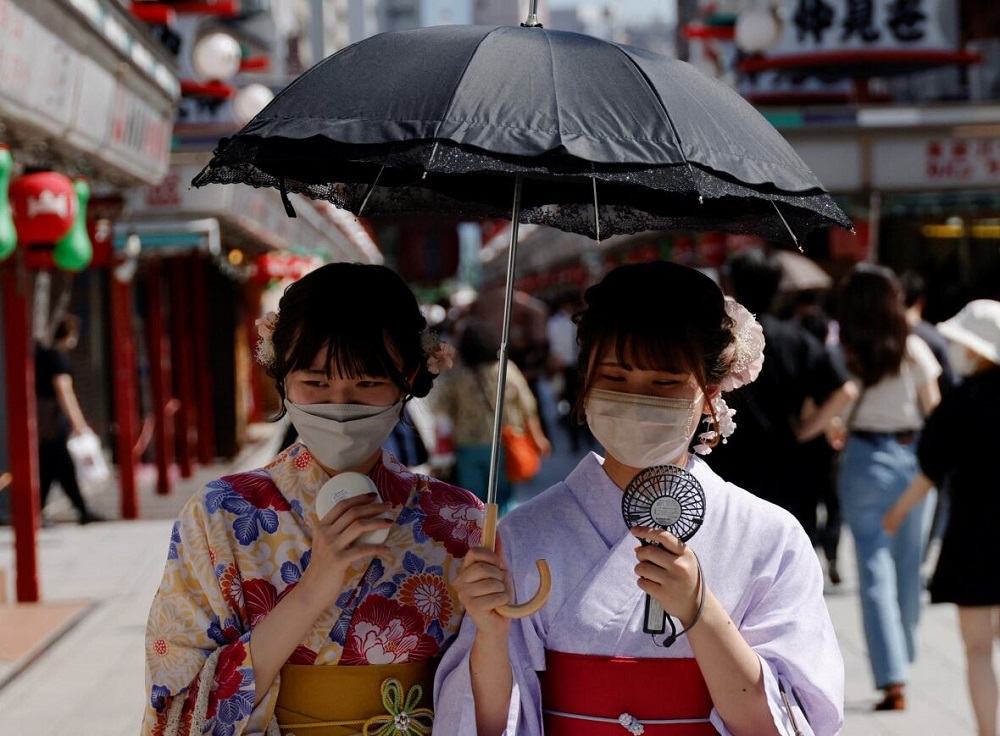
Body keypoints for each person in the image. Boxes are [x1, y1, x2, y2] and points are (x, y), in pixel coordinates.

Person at [434, 261, 844, 736]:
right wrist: (490, 634)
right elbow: (486, 724)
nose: (637, 398)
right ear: (585, 384)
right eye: (616, 379)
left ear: (709, 393)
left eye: (665, 383)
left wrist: (700, 613)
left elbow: (790, 725)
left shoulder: (769, 537)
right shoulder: (522, 535)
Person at [142, 263, 485, 735]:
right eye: (316, 383)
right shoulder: (220, 514)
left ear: (408, 378)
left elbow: (483, 697)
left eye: (367, 384)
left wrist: (498, 628)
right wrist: (313, 590)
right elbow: (180, 701)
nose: (340, 405)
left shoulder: (458, 519)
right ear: (281, 375)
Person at [883, 299, 1000, 736]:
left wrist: (897, 513)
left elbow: (930, 471)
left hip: (972, 540)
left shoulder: (962, 403)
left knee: (976, 650)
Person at [833, 262, 942, 712]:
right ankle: (904, 656)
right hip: (912, 457)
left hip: (862, 460)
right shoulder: (912, 349)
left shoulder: (846, 351)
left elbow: (836, 399)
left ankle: (892, 674)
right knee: (908, 566)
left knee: (873, 571)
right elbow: (935, 411)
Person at [707, 248, 856, 560]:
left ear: (731, 286)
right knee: (784, 562)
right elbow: (845, 390)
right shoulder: (797, 339)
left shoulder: (714, 340)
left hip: (726, 461)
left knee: (727, 558)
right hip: (787, 463)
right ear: (777, 289)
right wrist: (806, 432)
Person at [431, 318, 552, 512]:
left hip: (467, 444)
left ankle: (479, 536)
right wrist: (538, 437)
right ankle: (501, 535)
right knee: (502, 497)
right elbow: (527, 405)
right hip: (503, 441)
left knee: (473, 501)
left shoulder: (458, 375)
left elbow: (442, 410)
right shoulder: (507, 369)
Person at [34, 315, 106, 525]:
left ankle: (79, 510)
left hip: (43, 420)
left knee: (54, 467)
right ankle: (80, 511)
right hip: (54, 421)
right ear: (70, 334)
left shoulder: (44, 355)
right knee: (56, 465)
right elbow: (64, 390)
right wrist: (78, 422)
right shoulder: (58, 358)